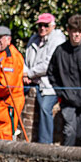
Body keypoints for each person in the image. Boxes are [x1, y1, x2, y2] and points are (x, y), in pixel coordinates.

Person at [47, 14, 81, 147]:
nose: (76, 35)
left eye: (80, 31)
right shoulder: (60, 51)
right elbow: (51, 73)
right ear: (68, 31)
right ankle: (65, 157)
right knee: (69, 131)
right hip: (67, 100)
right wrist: (60, 92)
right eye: (74, 31)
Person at [24, 13, 65, 144]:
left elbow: (48, 65)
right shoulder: (33, 39)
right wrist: (25, 74)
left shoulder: (57, 40)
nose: (42, 28)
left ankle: (45, 143)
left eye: (46, 25)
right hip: (32, 80)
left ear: (53, 26)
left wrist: (30, 74)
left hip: (50, 84)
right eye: (40, 25)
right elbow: (25, 60)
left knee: (45, 107)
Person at [0, 26, 25, 140]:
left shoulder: (9, 58)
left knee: (2, 141)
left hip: (5, 107)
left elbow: (5, 86)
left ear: (8, 39)